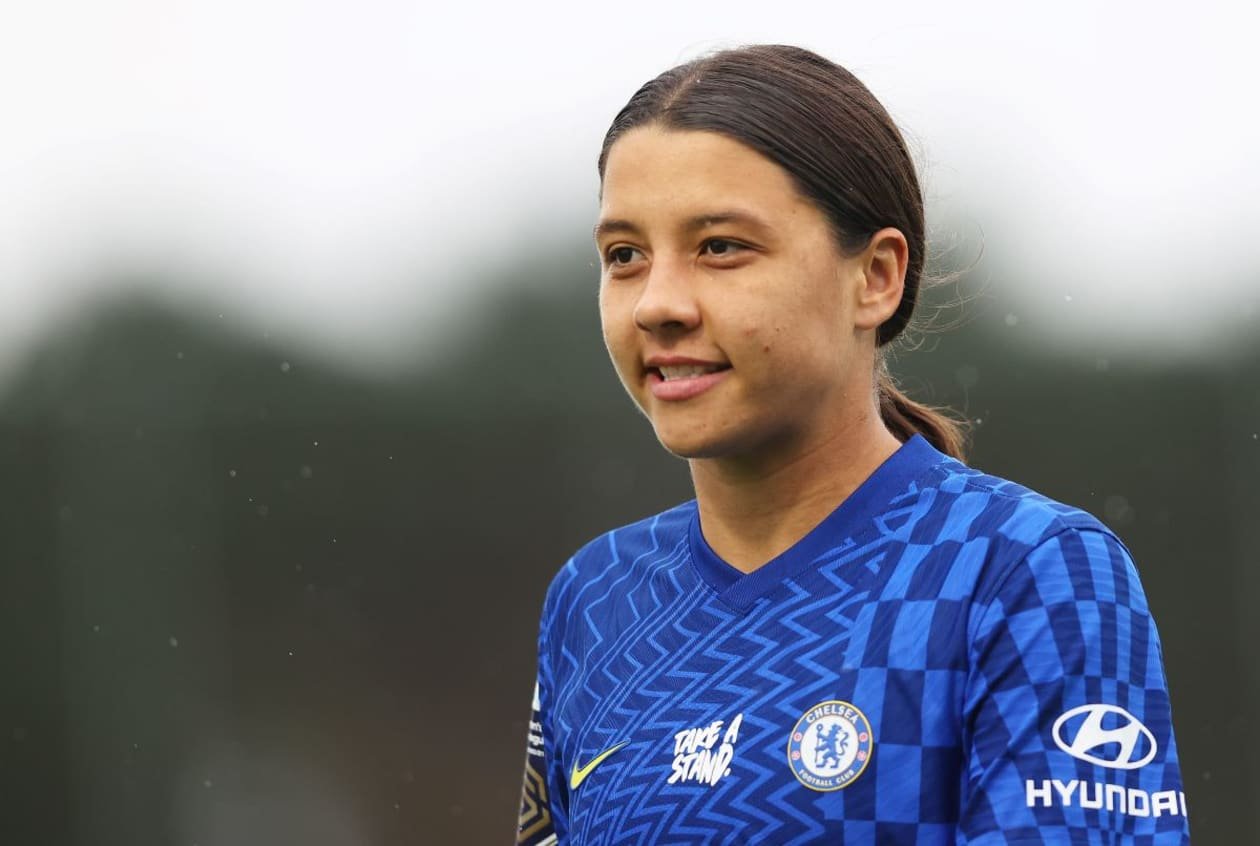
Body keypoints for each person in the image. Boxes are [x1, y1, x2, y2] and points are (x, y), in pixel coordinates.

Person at [515, 44, 1189, 845]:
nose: (657, 304)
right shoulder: (594, 599)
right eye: (625, 256)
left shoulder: (1023, 570)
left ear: (876, 277)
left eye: (720, 247)